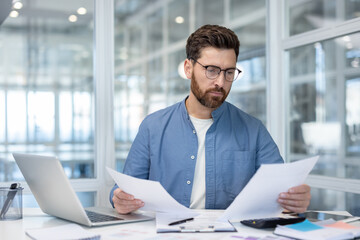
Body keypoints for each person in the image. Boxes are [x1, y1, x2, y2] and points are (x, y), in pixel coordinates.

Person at [110, 24, 311, 215]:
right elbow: (124, 188)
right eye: (212, 70)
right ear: (188, 68)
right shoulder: (152, 126)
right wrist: (119, 198)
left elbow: (280, 193)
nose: (220, 82)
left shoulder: (254, 130)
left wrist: (293, 200)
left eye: (229, 72)